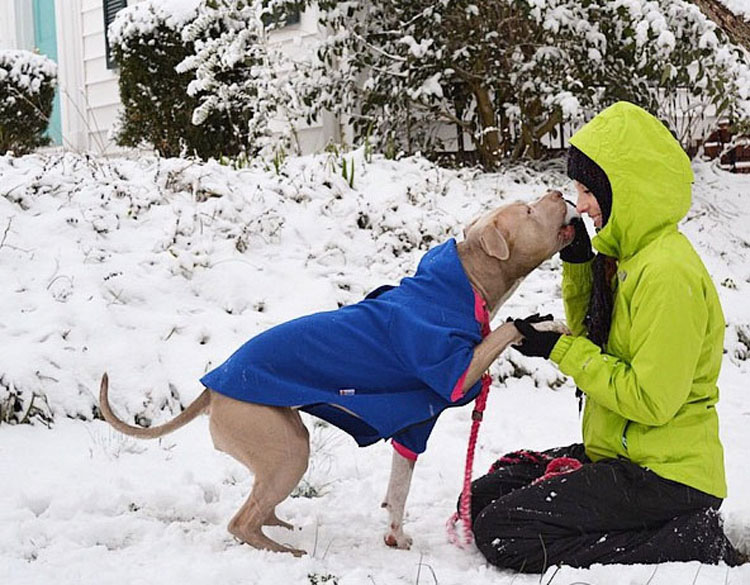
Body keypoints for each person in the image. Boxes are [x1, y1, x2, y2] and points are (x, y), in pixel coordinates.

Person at [466, 101, 742, 572]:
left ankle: (688, 541)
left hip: (666, 475)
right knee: (491, 492)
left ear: (627, 189)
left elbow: (652, 400)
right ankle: (643, 527)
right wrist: (578, 266)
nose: (583, 204)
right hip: (620, 454)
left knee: (505, 532)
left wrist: (560, 350)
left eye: (590, 190)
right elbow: (594, 338)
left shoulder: (667, 274)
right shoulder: (630, 257)